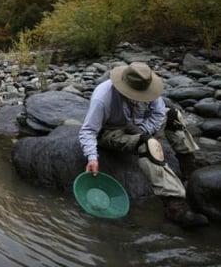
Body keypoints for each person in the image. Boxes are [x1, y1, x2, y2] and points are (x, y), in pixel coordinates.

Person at [78, 62, 208, 227]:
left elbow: (160, 112)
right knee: (147, 144)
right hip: (112, 132)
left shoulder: (147, 87)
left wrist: (144, 131)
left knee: (173, 116)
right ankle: (174, 204)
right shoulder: (102, 98)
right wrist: (92, 158)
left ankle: (189, 170)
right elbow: (88, 131)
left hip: (139, 127)